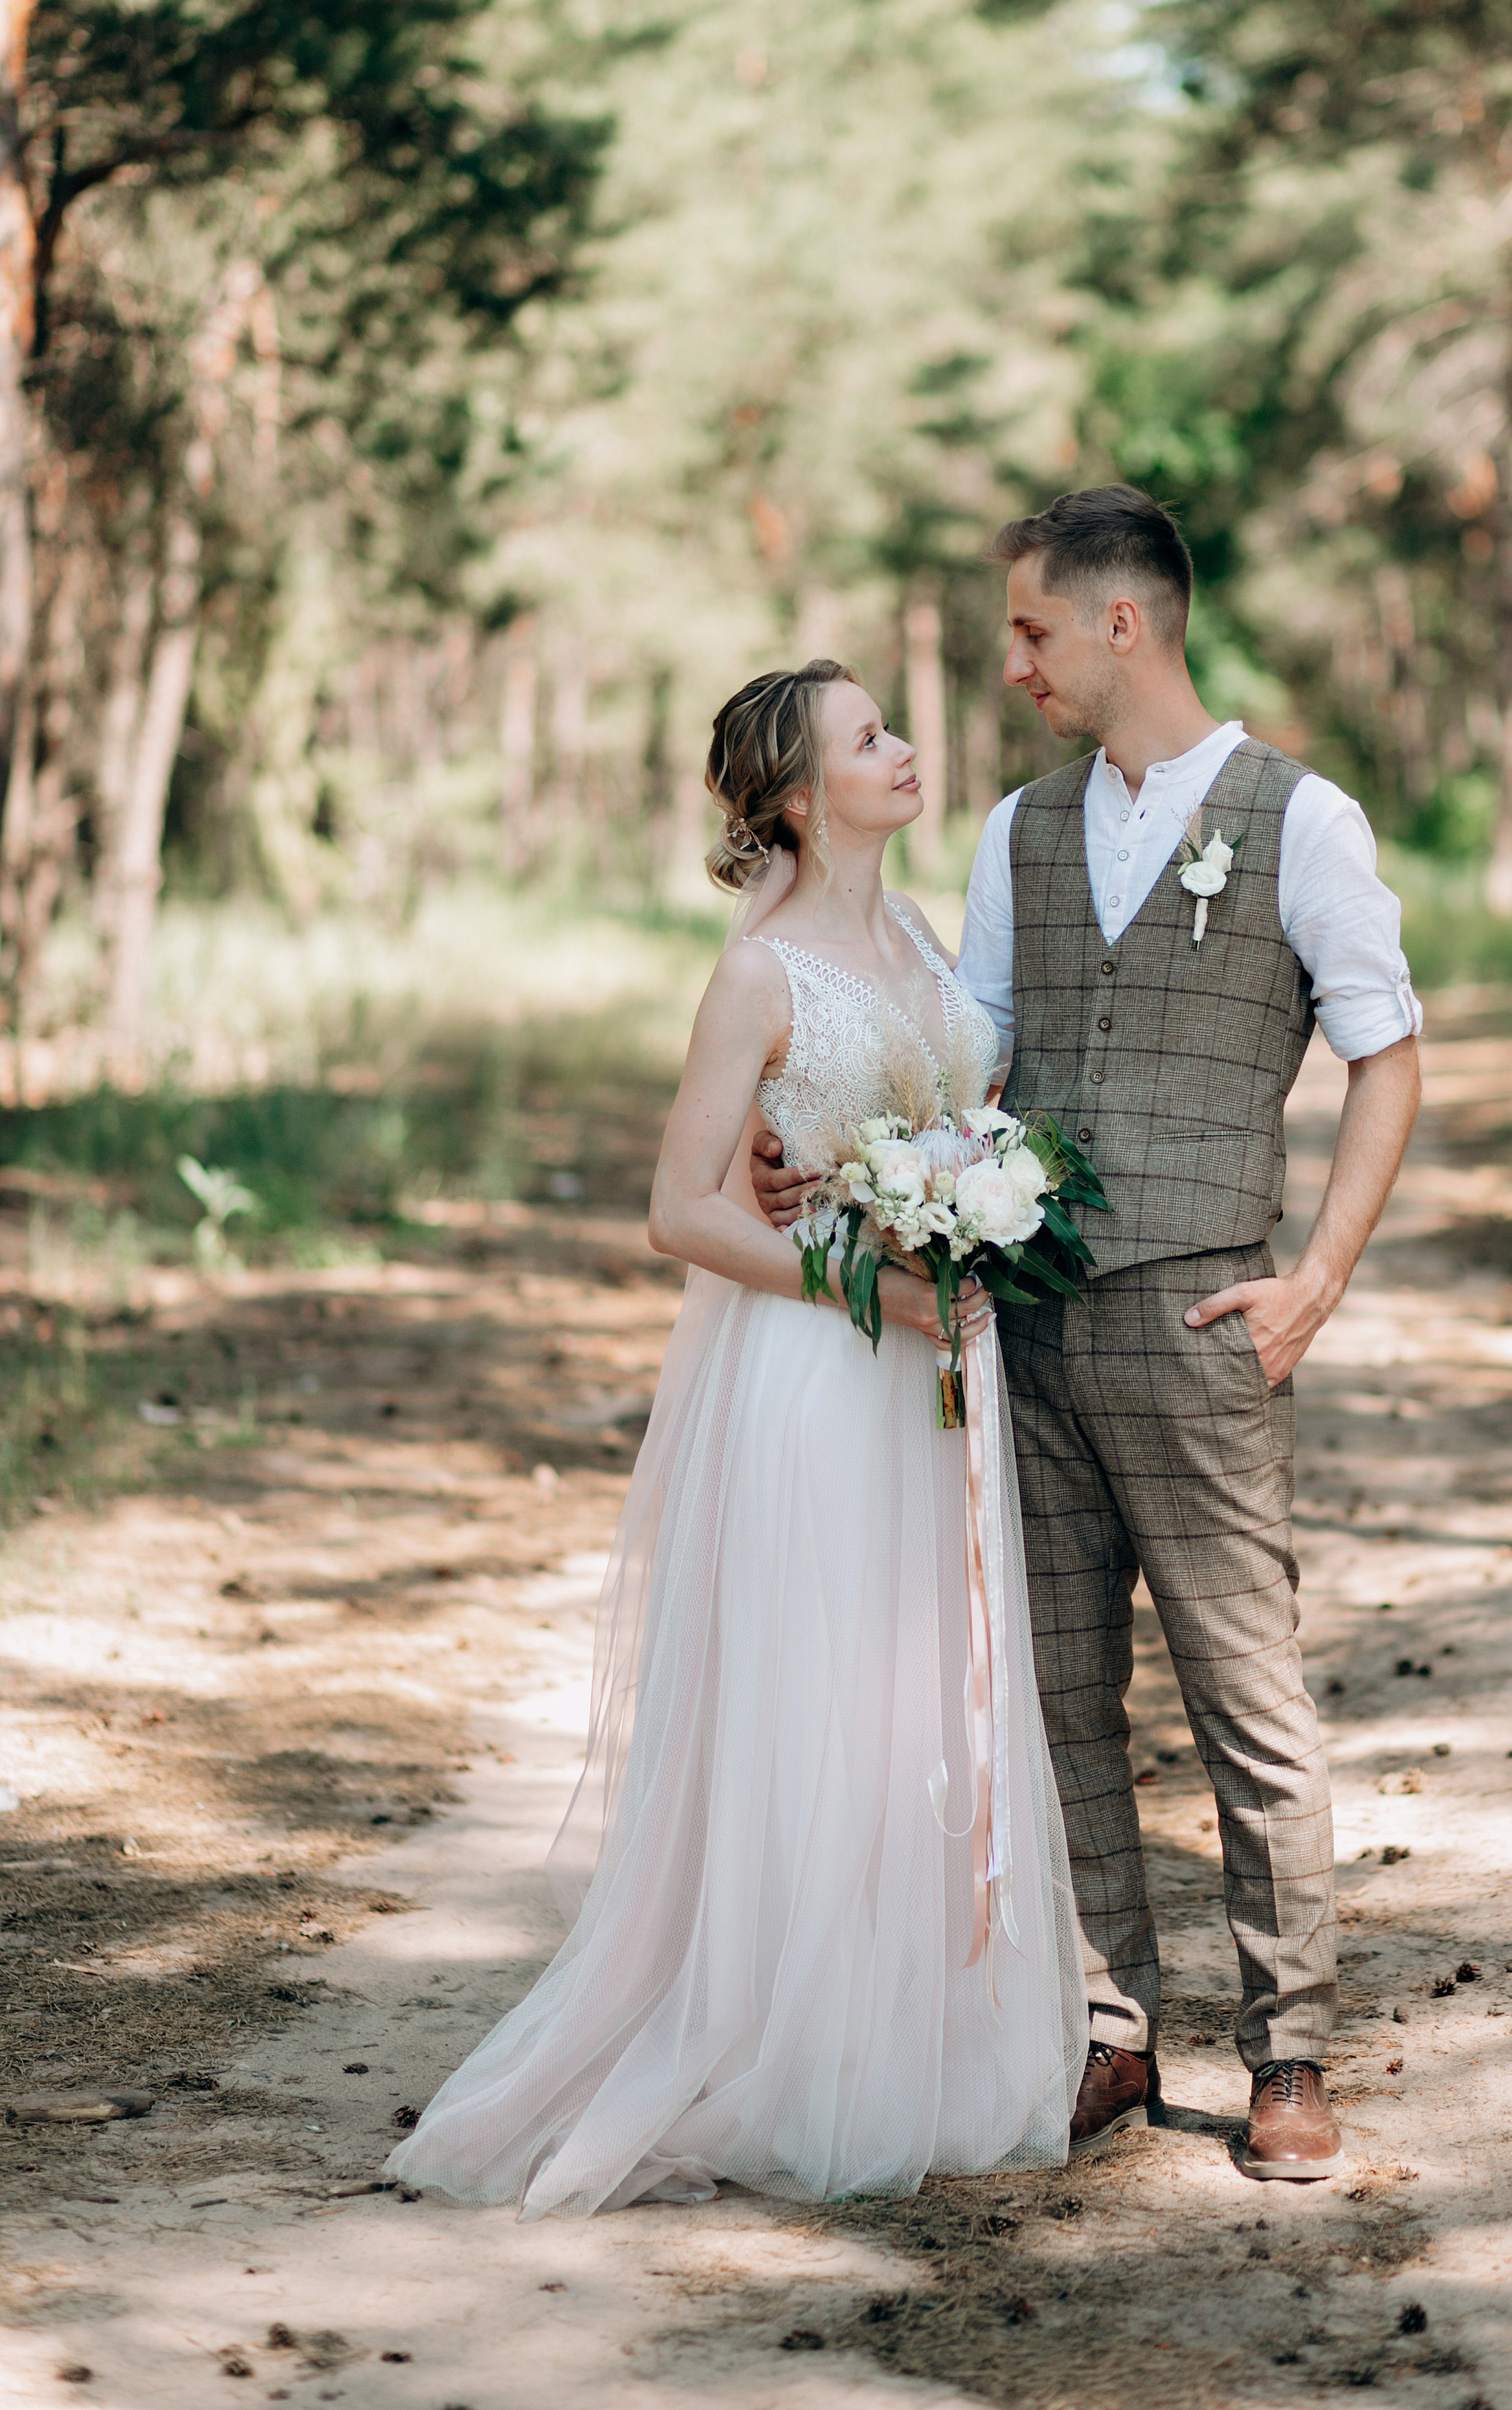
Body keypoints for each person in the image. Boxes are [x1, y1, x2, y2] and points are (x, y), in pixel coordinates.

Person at [753, 488, 1422, 2181]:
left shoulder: (1303, 820)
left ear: (1122, 624)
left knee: (1243, 1698)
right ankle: (1113, 2030)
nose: (1014, 664)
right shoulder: (1015, 832)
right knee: (1058, 1702)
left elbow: (1384, 1052)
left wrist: (1317, 1277)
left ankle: (1288, 2054)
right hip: (1024, 1335)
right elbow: (962, 1045)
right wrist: (823, 1135)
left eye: (1033, 630)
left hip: (1205, 1328)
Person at [386, 661, 1083, 2215]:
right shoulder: (759, 976)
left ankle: (917, 2037)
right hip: (823, 1370)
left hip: (934, 1362)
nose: (903, 749)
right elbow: (677, 1207)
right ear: (792, 796)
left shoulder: (912, 932)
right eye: (867, 739)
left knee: (925, 1703)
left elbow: (954, 1103)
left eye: (889, 728)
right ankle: (785, 2044)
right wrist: (860, 1275)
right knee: (820, 1700)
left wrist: (969, 1208)